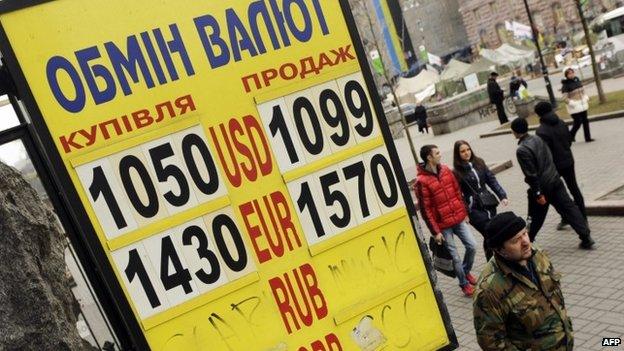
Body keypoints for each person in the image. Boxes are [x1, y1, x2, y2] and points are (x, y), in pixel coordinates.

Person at [473, 212, 574, 350]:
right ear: (500, 250)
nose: (526, 242)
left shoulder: (537, 254)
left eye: (525, 233)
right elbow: (492, 344)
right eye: (516, 240)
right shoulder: (489, 290)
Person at [510, 118, 595, 249]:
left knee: (535, 216)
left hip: (542, 187)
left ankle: (527, 243)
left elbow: (531, 174)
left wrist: (538, 193)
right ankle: (586, 237)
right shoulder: (538, 139)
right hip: (555, 180)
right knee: (570, 208)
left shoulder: (522, 150)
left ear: (515, 132)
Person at [415, 145, 478, 296]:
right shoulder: (421, 181)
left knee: (473, 246)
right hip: (443, 226)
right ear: (429, 157)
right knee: (454, 257)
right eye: (437, 153)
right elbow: (426, 210)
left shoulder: (446, 171)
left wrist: (465, 213)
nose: (440, 155)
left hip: (458, 218)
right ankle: (463, 283)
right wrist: (435, 232)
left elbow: (457, 192)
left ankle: (465, 270)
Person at [535, 101, 587, 231]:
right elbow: (569, 140)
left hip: (554, 167)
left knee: (559, 195)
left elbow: (545, 153)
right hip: (568, 160)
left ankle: (566, 218)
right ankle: (583, 218)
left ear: (539, 114)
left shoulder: (541, 131)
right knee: (574, 188)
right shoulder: (562, 122)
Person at [452, 140, 509, 261]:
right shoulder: (456, 172)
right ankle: (496, 260)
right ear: (457, 154)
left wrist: (502, 195)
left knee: (489, 234)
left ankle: (492, 261)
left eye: (468, 149)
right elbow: (458, 195)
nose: (466, 153)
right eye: (462, 151)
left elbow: (491, 180)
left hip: (488, 203)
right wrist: (465, 213)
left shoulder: (479, 162)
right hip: (474, 209)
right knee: (489, 231)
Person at [561, 67, 594, 142]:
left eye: (572, 72)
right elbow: (564, 98)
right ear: (566, 75)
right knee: (578, 122)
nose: (571, 74)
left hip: (582, 104)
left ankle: (588, 138)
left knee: (585, 121)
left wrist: (585, 97)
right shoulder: (565, 85)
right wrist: (573, 103)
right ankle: (570, 135)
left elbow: (583, 91)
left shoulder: (577, 80)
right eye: (569, 73)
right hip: (574, 107)